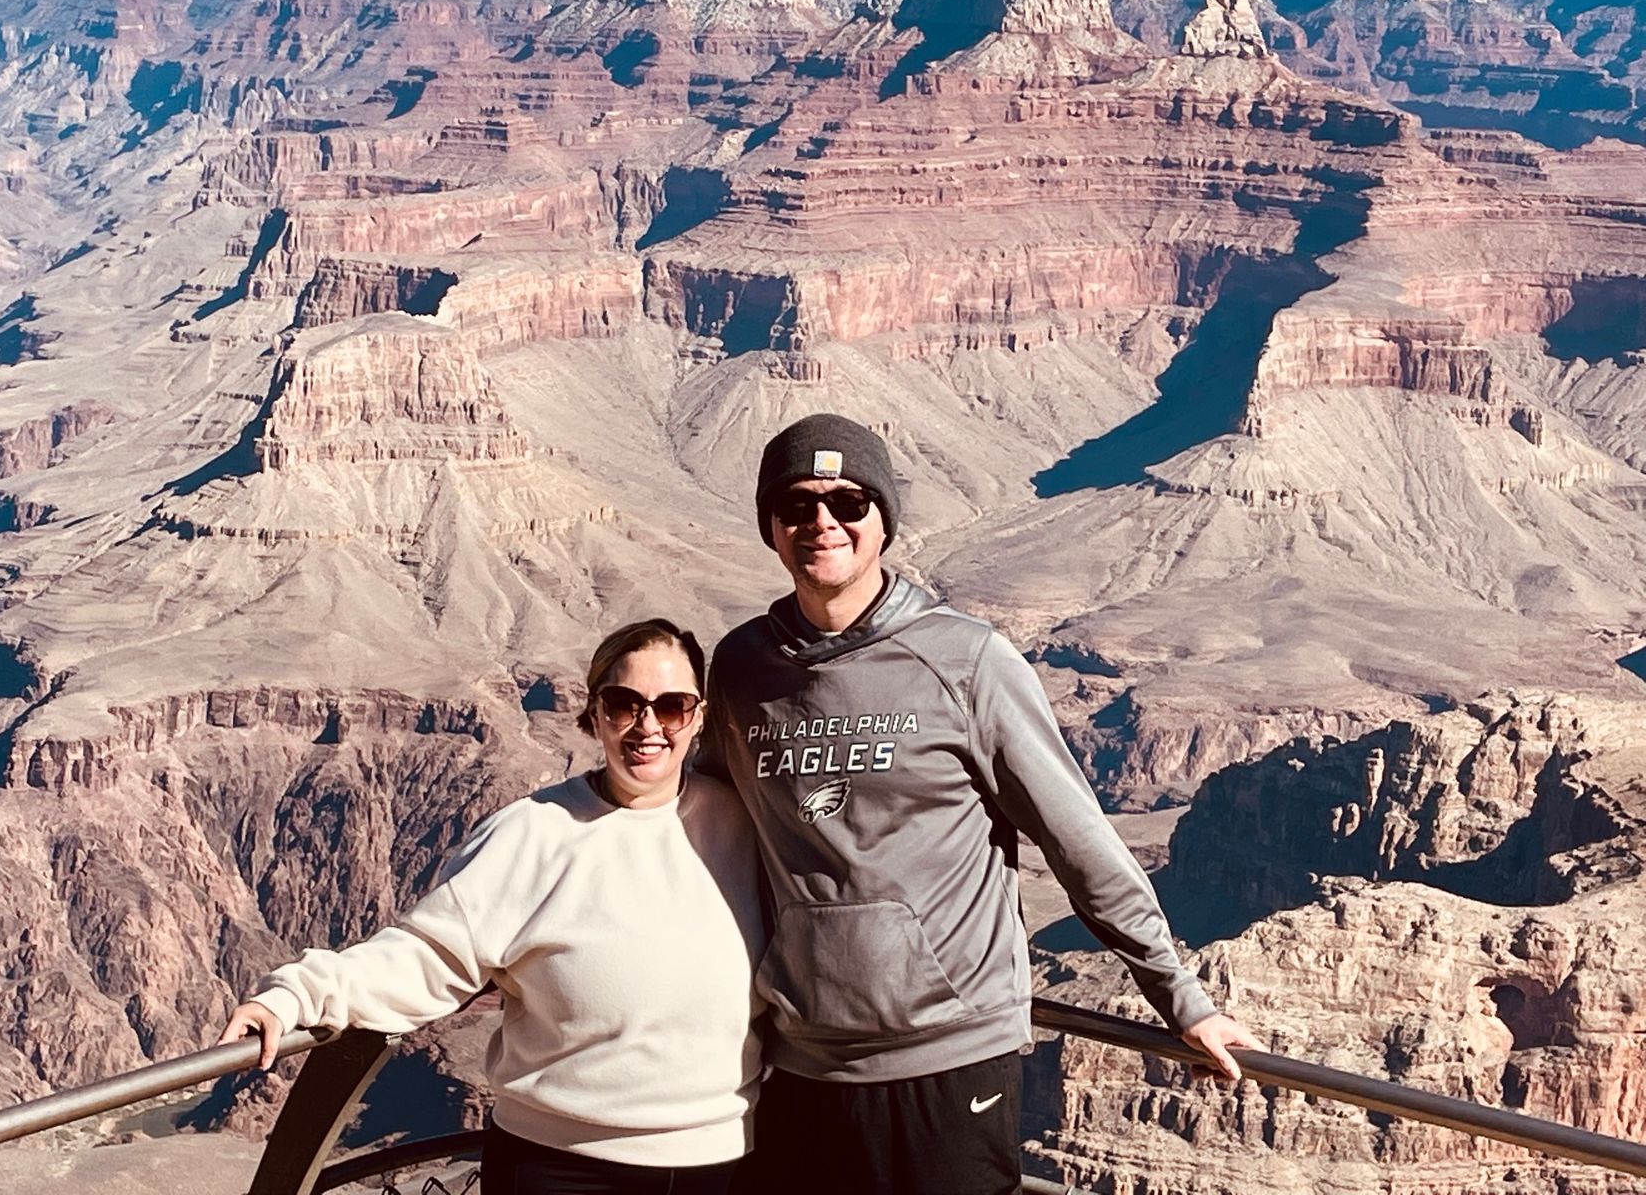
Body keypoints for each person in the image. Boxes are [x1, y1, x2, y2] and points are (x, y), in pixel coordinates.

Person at [701, 413, 1261, 1195]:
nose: (822, 522)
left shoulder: (967, 660)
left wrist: (1180, 997)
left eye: (849, 503)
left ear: (883, 520)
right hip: (801, 1061)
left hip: (951, 1055)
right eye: (797, 506)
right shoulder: (740, 668)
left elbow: (1079, 841)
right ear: (771, 524)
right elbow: (703, 833)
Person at [218, 618, 765, 1195]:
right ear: (596, 712)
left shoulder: (743, 823)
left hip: (724, 1162)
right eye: (624, 703)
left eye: (671, 705)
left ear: (698, 716)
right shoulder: (533, 833)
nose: (647, 725)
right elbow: (425, 955)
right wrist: (295, 995)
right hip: (562, 1165)